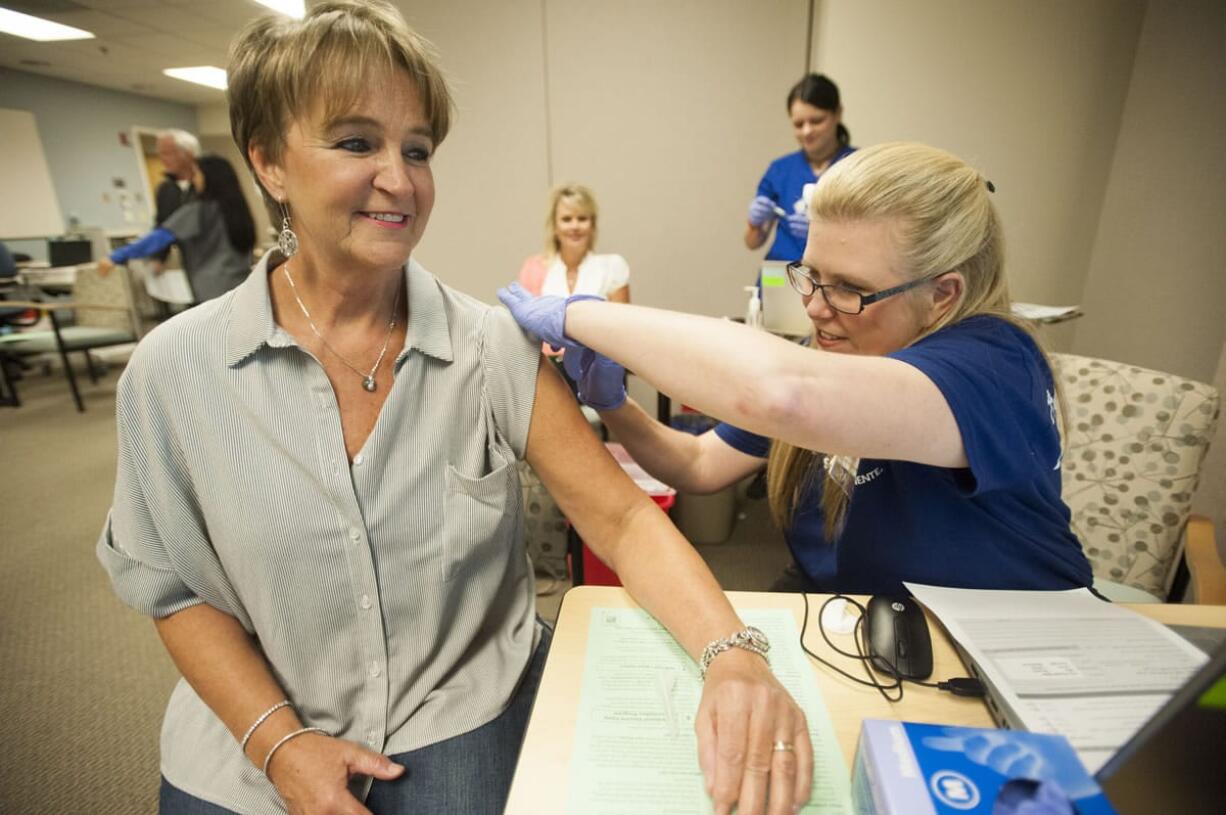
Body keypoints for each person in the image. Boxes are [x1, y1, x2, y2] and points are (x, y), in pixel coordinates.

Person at [96, 3, 811, 814]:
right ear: (267, 162)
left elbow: (622, 521)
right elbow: (178, 590)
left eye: (417, 150)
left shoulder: (491, 348)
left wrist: (734, 653)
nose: (399, 180)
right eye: (356, 142)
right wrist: (280, 743)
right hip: (249, 731)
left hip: (454, 710)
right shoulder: (173, 373)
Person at [500, 142, 1093, 598]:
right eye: (809, 274)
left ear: (943, 294)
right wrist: (614, 404)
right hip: (871, 623)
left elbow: (781, 392)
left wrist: (584, 316)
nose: (813, 306)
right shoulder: (842, 354)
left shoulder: (993, 363)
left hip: (1018, 649)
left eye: (851, 288)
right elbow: (699, 464)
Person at [99, 154, 255, 303]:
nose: (193, 180)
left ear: (209, 177)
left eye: (196, 174)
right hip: (241, 285)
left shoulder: (199, 209)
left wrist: (117, 256)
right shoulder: (236, 209)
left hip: (213, 290)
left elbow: (159, 238)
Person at [746, 74, 856, 264]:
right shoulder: (780, 170)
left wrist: (824, 234)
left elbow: (867, 243)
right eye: (798, 124)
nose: (807, 131)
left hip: (828, 277)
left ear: (838, 113)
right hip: (778, 272)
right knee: (772, 293)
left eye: (816, 121)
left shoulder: (857, 167)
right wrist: (755, 223)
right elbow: (752, 242)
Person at [517, 183, 629, 301]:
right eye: (566, 219)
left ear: (592, 225)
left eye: (582, 218)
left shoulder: (612, 268)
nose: (575, 226)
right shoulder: (533, 269)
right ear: (555, 226)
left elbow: (623, 318)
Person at [153, 129, 202, 265]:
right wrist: (159, 258)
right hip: (191, 264)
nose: (163, 159)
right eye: (160, 154)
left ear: (188, 153)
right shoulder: (165, 190)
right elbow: (163, 226)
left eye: (168, 153)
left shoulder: (209, 182)